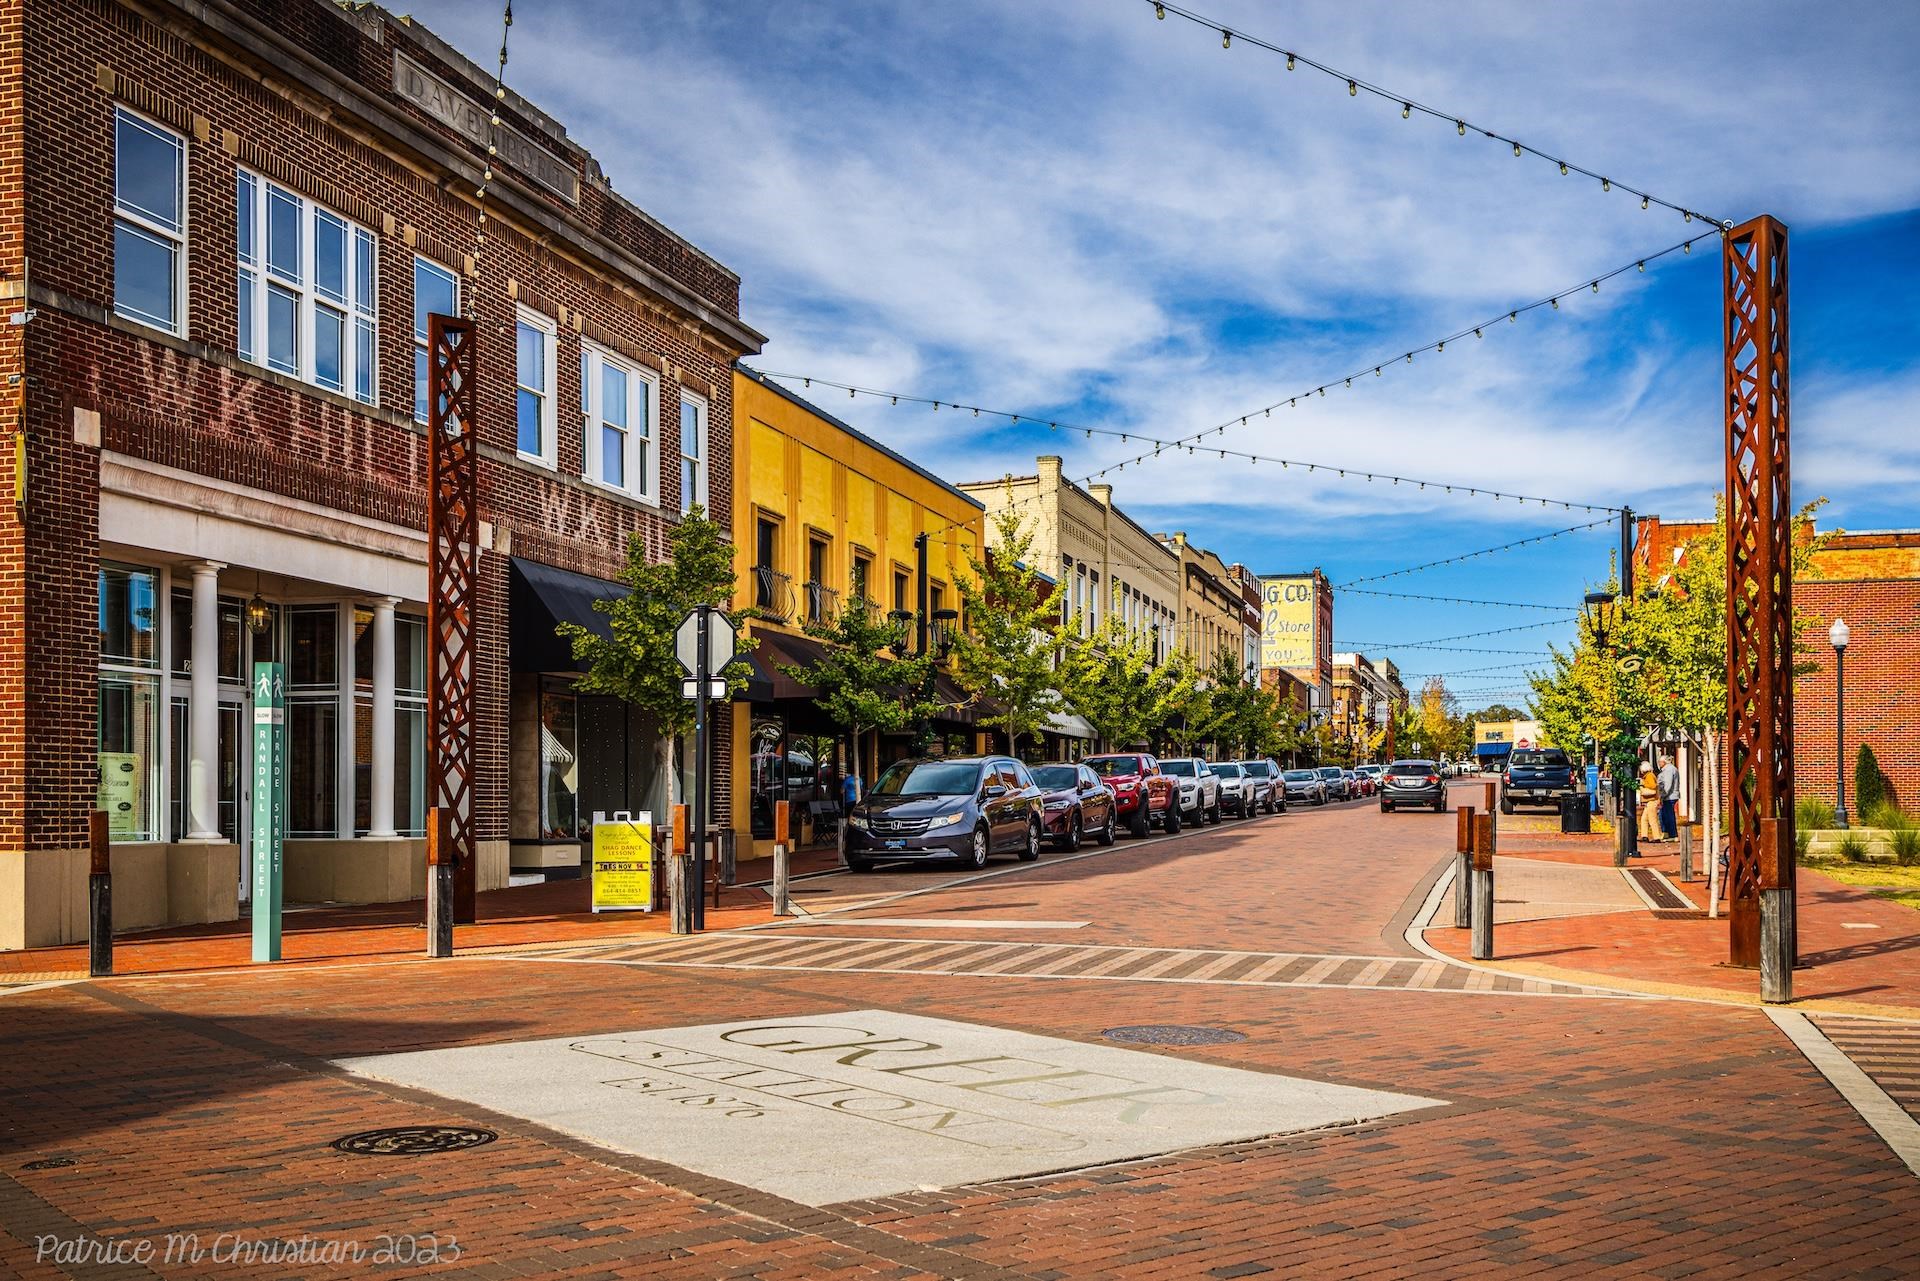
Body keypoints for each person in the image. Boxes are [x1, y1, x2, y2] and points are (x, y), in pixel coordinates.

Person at [1637, 759, 1662, 842]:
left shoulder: (1649, 776)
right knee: (1644, 819)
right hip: (1650, 801)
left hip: (1652, 800)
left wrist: (1643, 784)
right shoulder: (1648, 775)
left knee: (1652, 819)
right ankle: (1644, 836)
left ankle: (1657, 837)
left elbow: (1653, 786)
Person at [1657, 754, 1681, 840]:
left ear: (1664, 762)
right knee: (1663, 814)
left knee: (1668, 815)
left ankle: (1672, 834)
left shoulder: (1668, 770)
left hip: (1669, 796)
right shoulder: (1670, 769)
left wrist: (1662, 796)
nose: (1659, 763)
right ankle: (1667, 833)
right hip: (1670, 796)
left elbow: (1667, 785)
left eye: (1660, 762)